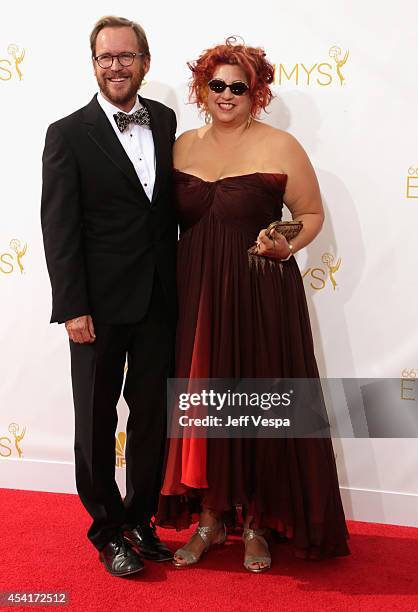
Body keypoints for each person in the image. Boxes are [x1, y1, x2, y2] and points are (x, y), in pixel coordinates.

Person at [156, 37, 350, 571]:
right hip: (194, 292)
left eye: (238, 87)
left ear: (256, 93)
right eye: (216, 84)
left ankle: (257, 523)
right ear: (202, 87)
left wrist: (287, 244)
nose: (226, 94)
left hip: (260, 292)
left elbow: (310, 215)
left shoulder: (282, 145)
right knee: (204, 406)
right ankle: (210, 520)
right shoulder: (179, 146)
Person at [41, 16, 177, 577]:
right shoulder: (67, 133)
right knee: (95, 419)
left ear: (145, 62)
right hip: (95, 307)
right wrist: (72, 306)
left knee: (152, 417)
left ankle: (141, 519)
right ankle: (107, 529)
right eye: (105, 57)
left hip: (159, 300)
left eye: (126, 56)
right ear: (93, 65)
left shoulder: (166, 121)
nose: (116, 66)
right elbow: (59, 227)